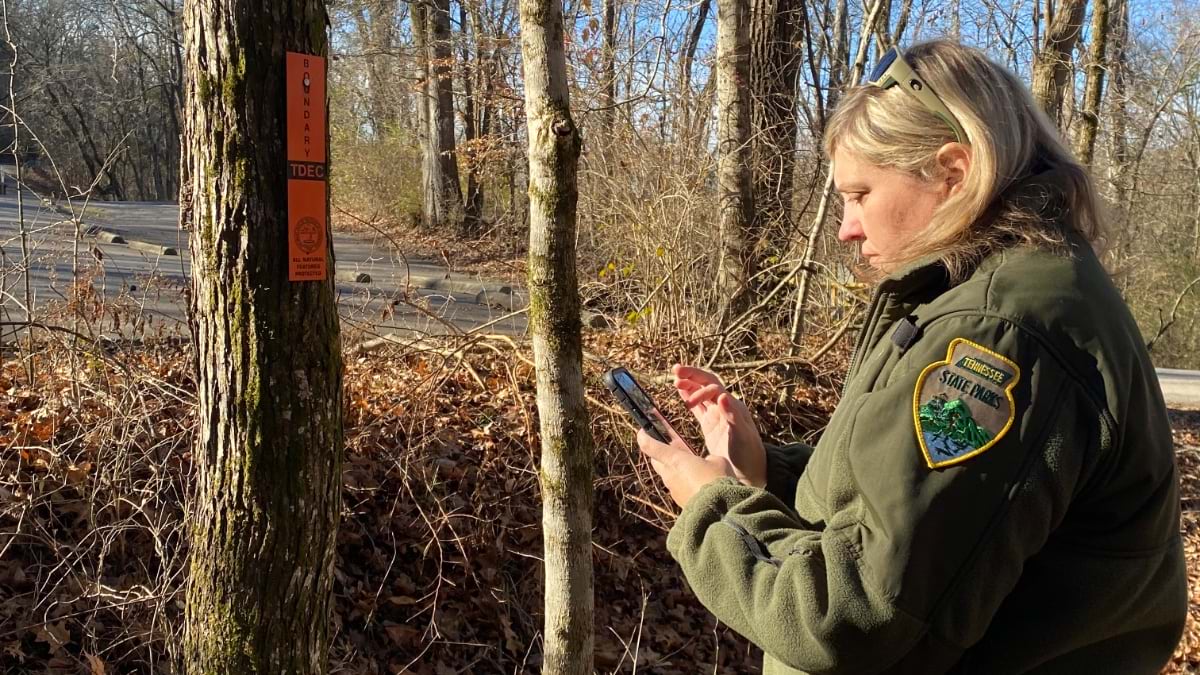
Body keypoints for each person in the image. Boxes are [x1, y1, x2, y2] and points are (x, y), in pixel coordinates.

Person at [636, 40, 1187, 674]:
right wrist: (769, 471)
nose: (846, 227)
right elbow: (919, 512)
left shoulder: (998, 336)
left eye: (861, 194)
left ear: (953, 171)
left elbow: (852, 619)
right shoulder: (995, 294)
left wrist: (712, 506)